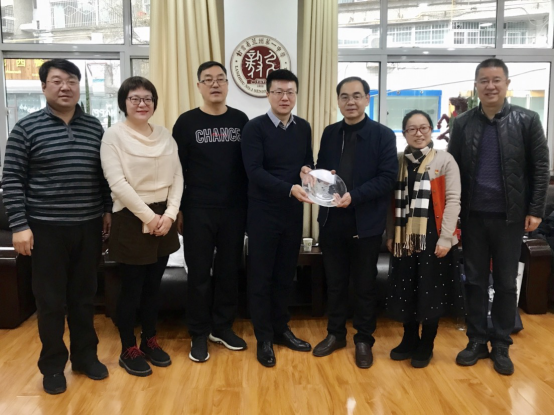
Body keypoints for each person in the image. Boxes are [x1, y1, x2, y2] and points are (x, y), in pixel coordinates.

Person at [2, 59, 112, 395]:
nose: (65, 87)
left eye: (72, 81)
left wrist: (107, 209)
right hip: (46, 230)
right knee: (50, 302)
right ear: (44, 87)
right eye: (57, 80)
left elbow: (103, 174)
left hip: (88, 227)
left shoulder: (94, 127)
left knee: (84, 298)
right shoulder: (26, 128)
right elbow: (12, 179)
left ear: (79, 86)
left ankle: (85, 357)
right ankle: (52, 366)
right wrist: (19, 225)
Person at [449, 58, 550, 376]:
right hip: (473, 216)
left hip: (511, 218)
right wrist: (452, 213)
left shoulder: (527, 120)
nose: (490, 86)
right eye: (484, 80)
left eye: (496, 80)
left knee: (506, 283)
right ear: (476, 86)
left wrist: (535, 210)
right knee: (474, 281)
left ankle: (502, 344)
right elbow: (452, 169)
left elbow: (540, 167)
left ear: (507, 84)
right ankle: (477, 340)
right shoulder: (463, 124)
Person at [310, 77, 398, 369]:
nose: (351, 102)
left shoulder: (383, 135)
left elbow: (387, 178)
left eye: (357, 96)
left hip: (366, 223)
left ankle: (364, 339)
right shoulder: (330, 133)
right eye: (345, 96)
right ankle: (335, 334)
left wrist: (354, 196)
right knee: (334, 283)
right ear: (338, 100)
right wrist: (318, 176)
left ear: (367, 99)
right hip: (332, 220)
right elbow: (323, 170)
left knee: (364, 284)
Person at [101, 77, 183, 377]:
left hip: (164, 218)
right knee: (131, 289)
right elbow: (117, 183)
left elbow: (178, 177)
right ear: (124, 103)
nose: (142, 104)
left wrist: (170, 215)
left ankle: (149, 340)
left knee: (153, 288)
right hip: (131, 218)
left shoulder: (164, 135)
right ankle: (128, 348)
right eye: (134, 98)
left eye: (147, 98)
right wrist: (149, 217)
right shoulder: (113, 136)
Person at [172, 62, 249, 363]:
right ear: (199, 86)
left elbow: (248, 167)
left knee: (229, 271)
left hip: (234, 209)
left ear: (228, 84)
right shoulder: (186, 122)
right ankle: (198, 333)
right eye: (208, 80)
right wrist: (179, 209)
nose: (215, 84)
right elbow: (177, 169)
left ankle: (222, 327)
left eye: (220, 79)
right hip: (197, 209)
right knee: (199, 274)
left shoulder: (240, 120)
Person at [242, 69, 315, 368]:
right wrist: (289, 188)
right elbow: (254, 171)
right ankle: (263, 338)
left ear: (296, 94)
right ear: (268, 94)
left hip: (292, 213)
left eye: (290, 92)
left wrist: (308, 171)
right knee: (261, 277)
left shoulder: (303, 127)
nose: (285, 97)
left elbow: (306, 162)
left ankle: (281, 329)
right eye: (278, 92)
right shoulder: (254, 128)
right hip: (262, 213)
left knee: (286, 275)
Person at [386, 110, 463, 369]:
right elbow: (390, 202)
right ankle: (409, 339)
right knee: (405, 287)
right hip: (404, 235)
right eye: (412, 129)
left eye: (423, 128)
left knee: (431, 289)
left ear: (431, 130)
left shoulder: (445, 160)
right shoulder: (398, 161)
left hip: (433, 235)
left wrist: (446, 238)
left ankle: (427, 343)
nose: (418, 133)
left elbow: (453, 200)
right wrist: (390, 234)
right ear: (404, 133)